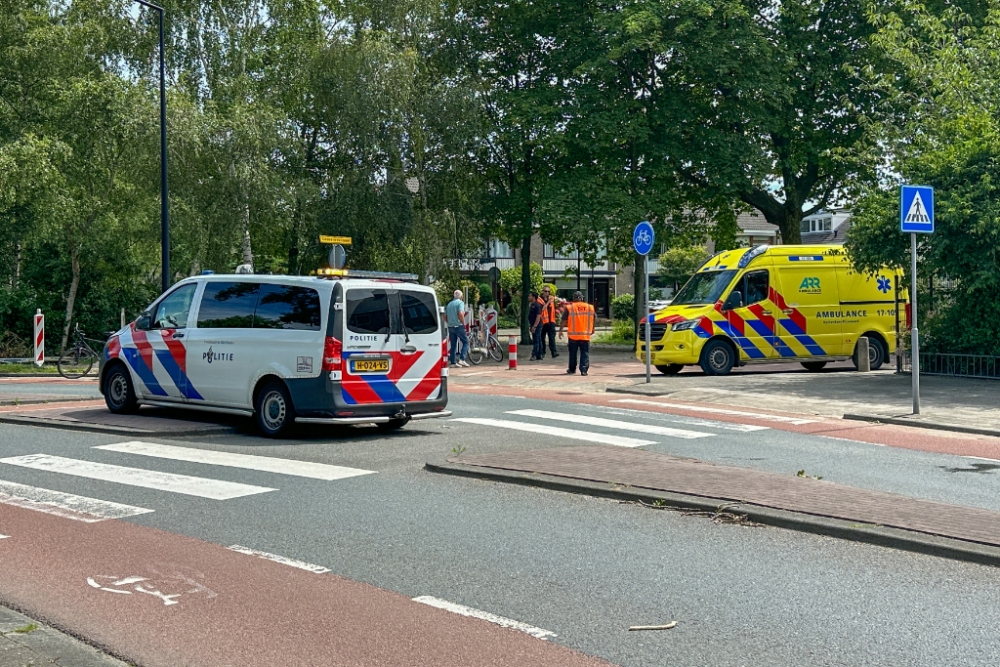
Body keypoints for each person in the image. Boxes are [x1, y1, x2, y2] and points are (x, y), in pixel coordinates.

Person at [558, 291, 595, 376]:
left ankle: (572, 369)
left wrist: (560, 331)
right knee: (585, 352)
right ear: (582, 298)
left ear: (573, 299)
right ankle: (584, 370)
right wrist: (593, 329)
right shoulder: (590, 307)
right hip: (585, 335)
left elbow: (563, 320)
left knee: (572, 353)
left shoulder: (570, 307)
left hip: (573, 336)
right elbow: (594, 318)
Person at [446, 290, 469, 367]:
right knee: (466, 342)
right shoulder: (460, 303)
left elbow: (444, 316)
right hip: (458, 325)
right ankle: (462, 359)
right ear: (461, 296)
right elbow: (460, 313)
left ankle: (453, 362)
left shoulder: (449, 304)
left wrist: (449, 322)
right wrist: (463, 323)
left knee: (453, 345)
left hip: (451, 326)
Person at [538, 286, 559, 359]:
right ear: (542, 291)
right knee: (542, 338)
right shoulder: (539, 300)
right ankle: (542, 352)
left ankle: (554, 352)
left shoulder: (552, 298)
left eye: (548, 291)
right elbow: (543, 308)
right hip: (543, 322)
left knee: (552, 337)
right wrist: (548, 302)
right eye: (545, 291)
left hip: (551, 321)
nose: (547, 293)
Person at [527, 291, 543, 361]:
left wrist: (534, 326)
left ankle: (534, 354)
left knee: (536, 340)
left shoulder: (537, 305)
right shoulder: (532, 305)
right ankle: (539, 354)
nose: (528, 297)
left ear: (533, 297)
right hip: (534, 325)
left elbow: (538, 316)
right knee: (538, 340)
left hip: (537, 325)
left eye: (529, 296)